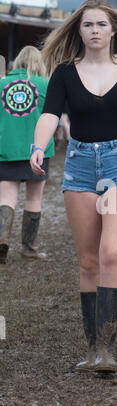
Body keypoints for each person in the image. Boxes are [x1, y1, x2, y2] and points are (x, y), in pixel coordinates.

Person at [30, 0, 117, 374]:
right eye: (87, 25)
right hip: (79, 166)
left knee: (110, 251)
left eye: (100, 25)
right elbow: (50, 115)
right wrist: (38, 147)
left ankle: (107, 350)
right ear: (79, 30)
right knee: (89, 261)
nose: (94, 31)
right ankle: (93, 350)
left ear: (113, 29)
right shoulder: (64, 73)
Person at [0, 45, 55, 264]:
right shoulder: (45, 84)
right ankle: (28, 248)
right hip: (38, 149)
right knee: (34, 198)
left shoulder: (1, 84)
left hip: (7, 148)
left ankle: (2, 239)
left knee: (5, 198)